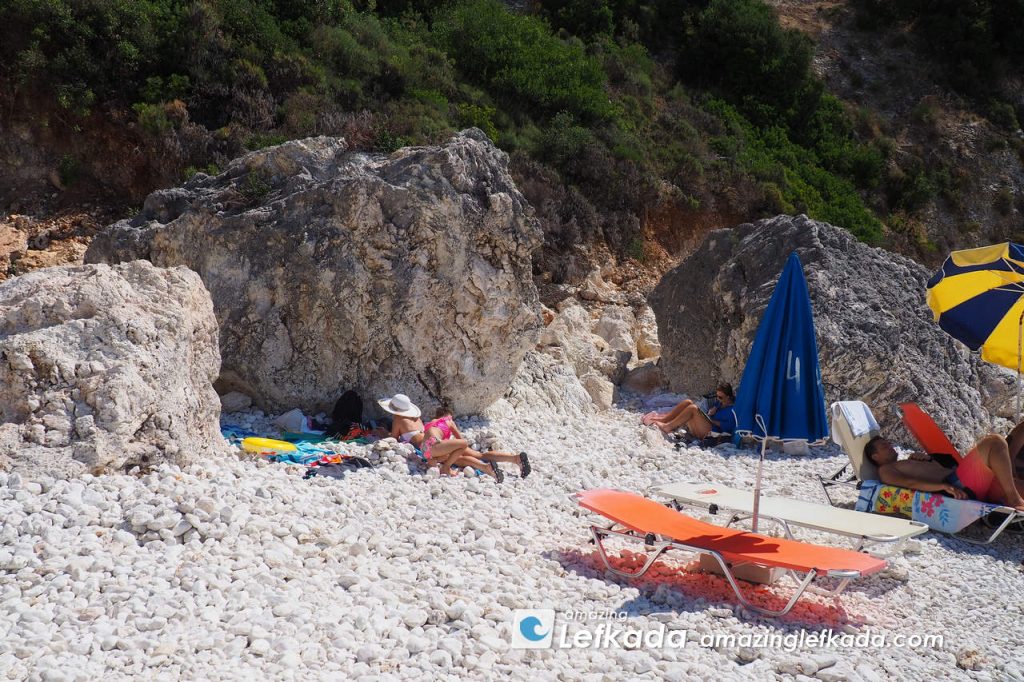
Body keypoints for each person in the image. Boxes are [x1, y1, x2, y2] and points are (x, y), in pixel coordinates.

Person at [378, 394, 531, 482]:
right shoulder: (416, 418)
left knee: (458, 457)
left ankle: (486, 468)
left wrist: (382, 433)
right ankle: (514, 459)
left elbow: (394, 437)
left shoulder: (398, 419)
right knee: (477, 455)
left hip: (428, 447)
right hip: (437, 443)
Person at [862, 433, 1024, 511]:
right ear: (875, 456)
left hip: (965, 481)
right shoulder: (885, 470)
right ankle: (1013, 499)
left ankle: (1014, 498)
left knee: (1018, 484)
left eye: (888, 443)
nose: (890, 445)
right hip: (956, 483)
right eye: (884, 446)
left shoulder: (904, 462)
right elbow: (910, 484)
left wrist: (928, 460)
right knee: (994, 442)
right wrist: (944, 486)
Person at [641, 383, 737, 439]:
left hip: (711, 432)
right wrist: (713, 410)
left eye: (720, 397)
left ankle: (667, 427)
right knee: (688, 402)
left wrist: (710, 419)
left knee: (693, 408)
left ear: (728, 397)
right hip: (705, 425)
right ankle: (664, 420)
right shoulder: (720, 403)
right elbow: (715, 408)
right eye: (717, 396)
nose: (718, 399)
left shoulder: (732, 411)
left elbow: (727, 427)